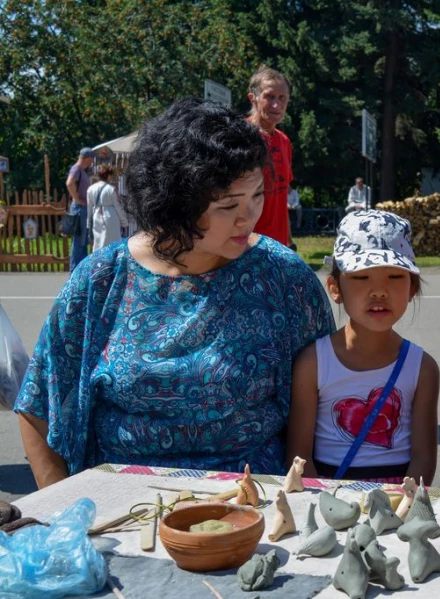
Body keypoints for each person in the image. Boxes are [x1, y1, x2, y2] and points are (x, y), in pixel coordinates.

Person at [15, 98, 335, 489]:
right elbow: (37, 404)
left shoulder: (284, 277)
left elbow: (326, 399)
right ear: (176, 203)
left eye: (256, 195)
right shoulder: (101, 278)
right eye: (228, 204)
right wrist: (62, 509)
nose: (248, 216)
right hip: (122, 504)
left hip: (253, 504)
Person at [287, 210, 439, 484]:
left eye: (394, 277)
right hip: (326, 494)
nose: (379, 291)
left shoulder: (423, 368)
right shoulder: (313, 362)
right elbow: (300, 457)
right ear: (335, 288)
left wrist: (402, 508)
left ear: (412, 288)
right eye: (361, 277)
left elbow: (423, 459)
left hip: (397, 499)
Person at [247, 66, 293, 246]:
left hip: (278, 247)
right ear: (253, 98)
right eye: (269, 96)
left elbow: (282, 198)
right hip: (247, 247)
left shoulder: (284, 141)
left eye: (282, 98)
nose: (276, 105)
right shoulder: (239, 138)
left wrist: (289, 244)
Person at [65, 147, 94, 270]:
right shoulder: (77, 168)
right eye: (91, 159)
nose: (91, 162)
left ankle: (79, 271)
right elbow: (69, 183)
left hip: (81, 208)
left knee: (82, 241)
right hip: (79, 209)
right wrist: (77, 199)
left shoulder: (81, 170)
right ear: (87, 158)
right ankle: (75, 271)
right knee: (79, 242)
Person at [86, 164, 128, 251]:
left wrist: (88, 224)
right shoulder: (111, 189)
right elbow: (118, 207)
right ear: (109, 176)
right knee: (113, 244)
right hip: (110, 217)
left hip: (96, 216)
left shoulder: (91, 189)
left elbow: (89, 208)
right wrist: (124, 222)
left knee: (98, 244)